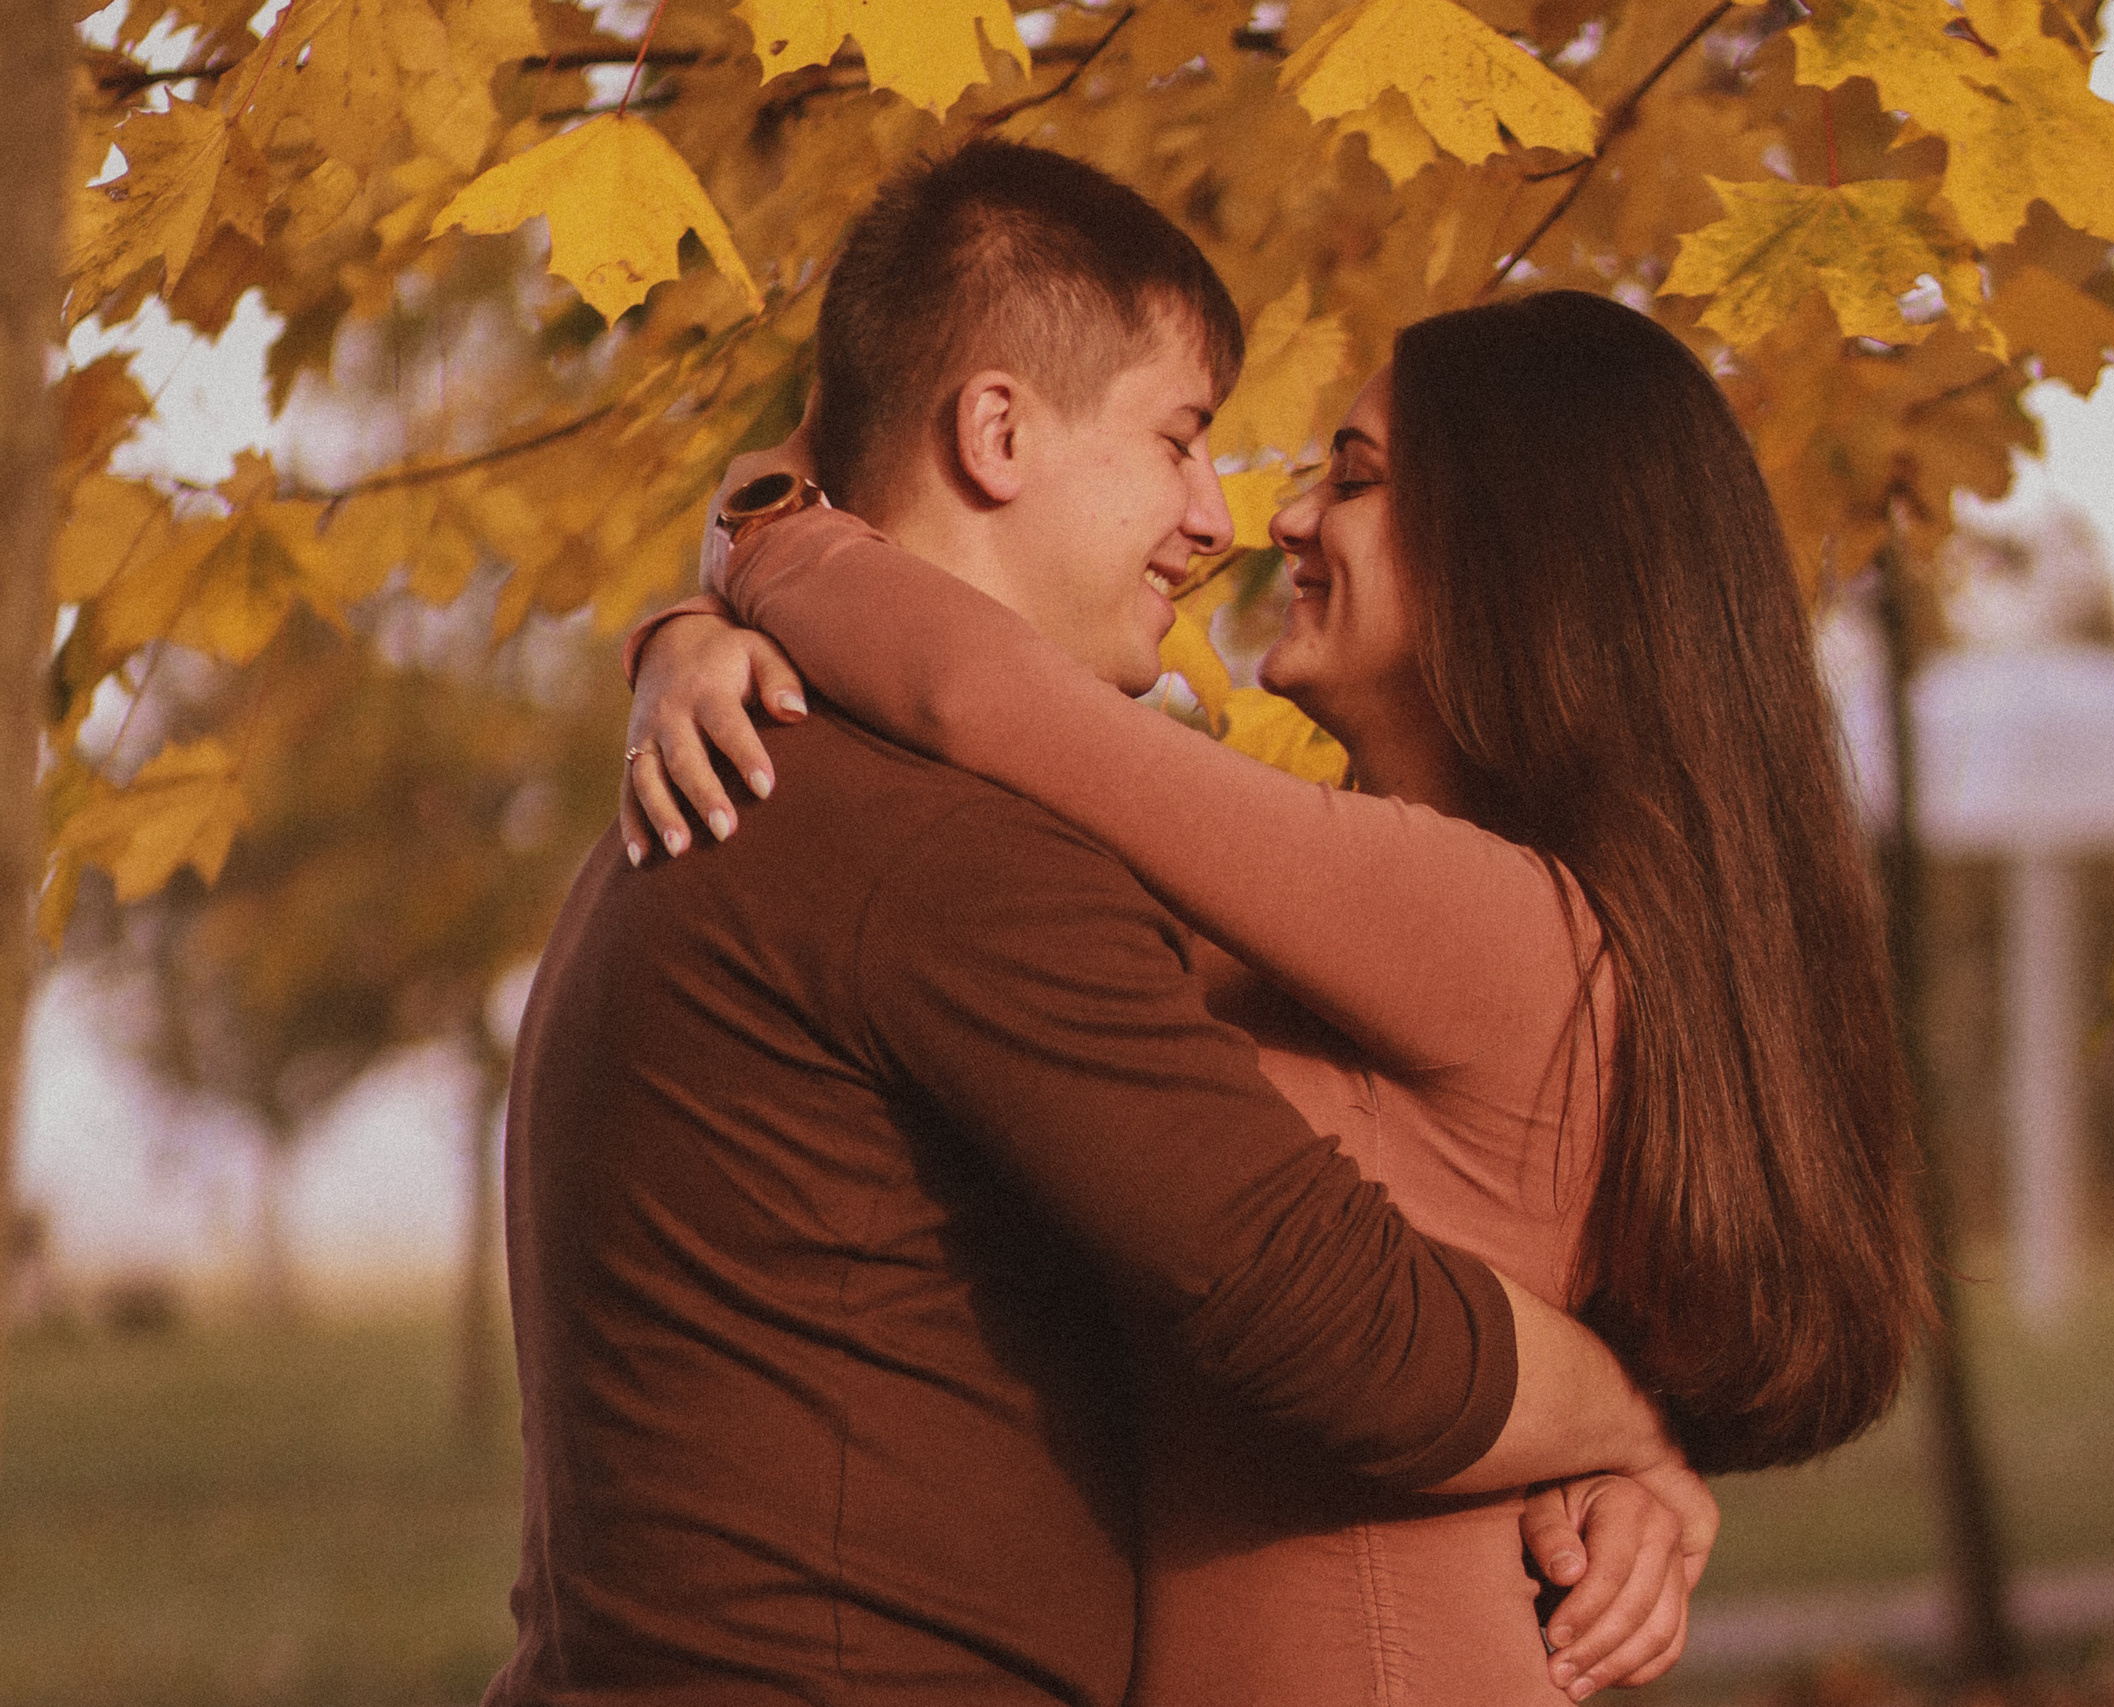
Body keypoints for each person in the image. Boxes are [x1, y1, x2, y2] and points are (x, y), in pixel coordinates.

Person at [496, 141, 1714, 1707]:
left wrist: (725, 575)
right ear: (997, 431)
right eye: (1182, 439)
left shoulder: (768, 792)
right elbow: (1343, 1318)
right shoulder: (935, 846)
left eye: (1337, 471)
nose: (1227, 517)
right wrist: (1632, 1426)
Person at [628, 285, 1938, 1703]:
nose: (1285, 521)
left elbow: (981, 701)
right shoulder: (1356, 930)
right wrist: (692, 641)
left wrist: (752, 539)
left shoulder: (1487, 915)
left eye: (1357, 479)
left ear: (1525, 558)